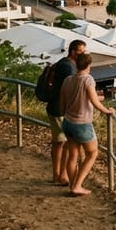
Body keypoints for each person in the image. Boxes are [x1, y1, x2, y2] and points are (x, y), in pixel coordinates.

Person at [60, 52, 116, 196]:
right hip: (82, 123)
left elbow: (64, 102)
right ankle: (77, 185)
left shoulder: (68, 80)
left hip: (68, 121)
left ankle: (73, 185)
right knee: (92, 153)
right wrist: (107, 111)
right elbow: (94, 100)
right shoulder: (88, 80)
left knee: (73, 155)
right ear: (89, 65)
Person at [46, 40, 86, 185]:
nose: (83, 54)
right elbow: (72, 88)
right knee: (66, 143)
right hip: (61, 109)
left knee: (59, 143)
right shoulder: (69, 68)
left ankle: (57, 175)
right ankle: (61, 176)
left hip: (56, 107)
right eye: (81, 51)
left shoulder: (64, 63)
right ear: (73, 51)